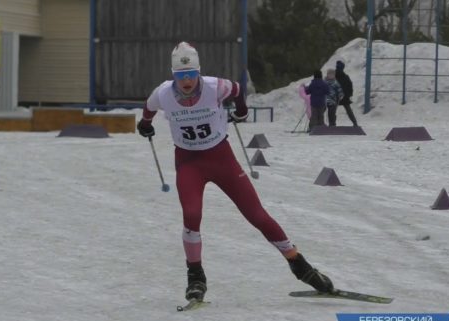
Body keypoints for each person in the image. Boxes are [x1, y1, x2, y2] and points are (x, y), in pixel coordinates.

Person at [136, 42, 334, 302]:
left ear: (198, 72)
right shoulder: (163, 93)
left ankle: (299, 264)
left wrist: (241, 111)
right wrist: (145, 124)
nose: (186, 81)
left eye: (191, 74)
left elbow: (238, 90)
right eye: (181, 76)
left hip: (221, 158)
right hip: (188, 162)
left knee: (257, 215)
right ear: (173, 75)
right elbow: (148, 108)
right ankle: (195, 277)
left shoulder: (214, 86)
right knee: (191, 214)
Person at [335, 60, 358, 127]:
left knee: (332, 110)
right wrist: (349, 94)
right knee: (348, 110)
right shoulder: (346, 76)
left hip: (335, 96)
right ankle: (355, 123)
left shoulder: (333, 76)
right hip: (345, 96)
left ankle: (332, 124)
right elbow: (350, 85)